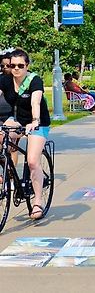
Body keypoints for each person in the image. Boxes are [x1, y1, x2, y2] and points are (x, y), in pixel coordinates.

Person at [0, 48, 51, 220]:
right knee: (1, 135)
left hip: (38, 123)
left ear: (27, 66)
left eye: (20, 65)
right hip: (18, 121)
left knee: (32, 161)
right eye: (12, 65)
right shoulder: (6, 81)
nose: (15, 69)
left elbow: (35, 102)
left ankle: (37, 202)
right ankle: (6, 175)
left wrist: (35, 121)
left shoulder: (34, 80)